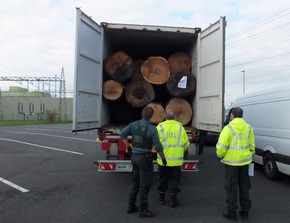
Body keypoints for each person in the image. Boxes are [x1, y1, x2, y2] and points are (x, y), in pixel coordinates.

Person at [120, 106, 166, 218]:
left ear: (142, 114)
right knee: (145, 184)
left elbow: (122, 134)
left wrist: (128, 147)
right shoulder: (152, 129)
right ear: (151, 116)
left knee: (135, 182)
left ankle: (131, 206)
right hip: (144, 159)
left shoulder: (134, 124)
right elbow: (158, 147)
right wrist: (163, 158)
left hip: (134, 157)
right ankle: (143, 209)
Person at [216, 107, 255, 221]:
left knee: (231, 187)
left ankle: (231, 212)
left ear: (232, 115)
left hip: (231, 163)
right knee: (244, 186)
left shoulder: (228, 128)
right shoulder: (248, 128)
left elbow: (221, 146)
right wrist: (249, 154)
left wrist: (220, 155)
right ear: (241, 115)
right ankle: (245, 212)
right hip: (245, 162)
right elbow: (252, 144)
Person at [156, 109, 190, 208]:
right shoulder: (180, 128)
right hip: (176, 160)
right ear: (174, 117)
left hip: (163, 160)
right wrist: (181, 150)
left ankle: (162, 199)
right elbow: (186, 144)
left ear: (165, 117)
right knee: (175, 180)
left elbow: (155, 142)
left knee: (163, 179)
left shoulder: (160, 127)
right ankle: (173, 200)